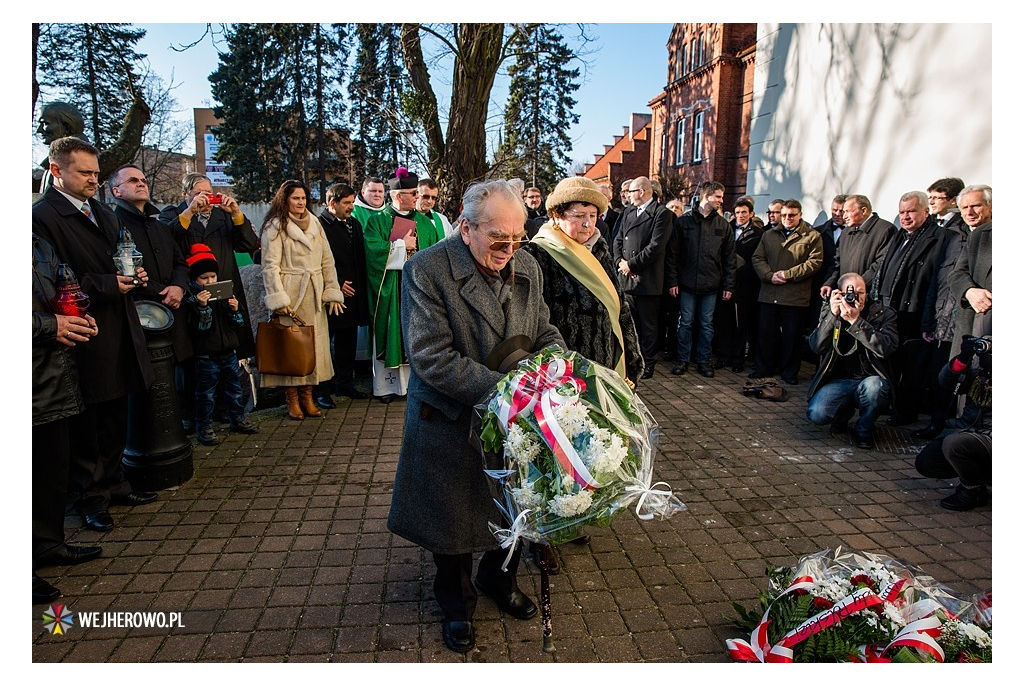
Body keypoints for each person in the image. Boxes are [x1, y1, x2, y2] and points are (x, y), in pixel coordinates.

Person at [387, 180, 564, 654]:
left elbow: (544, 328)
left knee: (513, 507)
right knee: (453, 520)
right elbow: (431, 356)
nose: (509, 250)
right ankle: (457, 604)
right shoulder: (426, 270)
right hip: (451, 416)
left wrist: (558, 369)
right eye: (498, 239)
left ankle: (498, 581)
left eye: (517, 238)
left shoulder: (526, 264)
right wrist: (512, 391)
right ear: (465, 228)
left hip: (514, 418)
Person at [32, 137, 157, 534]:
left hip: (118, 325)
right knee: (88, 421)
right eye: (83, 172)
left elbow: (124, 253)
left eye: (96, 173)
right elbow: (47, 282)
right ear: (57, 171)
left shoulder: (103, 211)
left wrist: (134, 274)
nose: (92, 179)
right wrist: (107, 283)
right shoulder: (42, 217)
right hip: (83, 331)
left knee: (116, 411)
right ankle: (90, 498)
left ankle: (115, 483)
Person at [33, 233, 103, 603]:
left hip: (51, 376)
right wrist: (50, 326)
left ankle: (47, 544)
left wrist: (79, 316)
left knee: (49, 469)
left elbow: (64, 291)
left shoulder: (39, 244)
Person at [524, 176, 644, 384]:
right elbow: (532, 319)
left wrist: (632, 358)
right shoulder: (537, 254)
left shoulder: (599, 248)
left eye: (593, 215)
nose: (588, 223)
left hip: (609, 363)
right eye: (578, 216)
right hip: (567, 372)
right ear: (556, 216)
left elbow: (619, 305)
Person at [110, 165, 194, 419]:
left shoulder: (159, 227)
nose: (141, 183)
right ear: (117, 190)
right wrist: (162, 292)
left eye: (143, 180)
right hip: (142, 317)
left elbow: (181, 262)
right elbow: (122, 270)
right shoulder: (112, 225)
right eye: (133, 180)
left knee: (181, 381)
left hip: (175, 312)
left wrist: (179, 287)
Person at [260, 180, 345, 420]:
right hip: (291, 293)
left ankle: (308, 396)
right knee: (291, 348)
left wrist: (331, 289)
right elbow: (269, 266)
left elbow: (327, 259)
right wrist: (278, 297)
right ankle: (292, 399)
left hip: (314, 294)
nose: (300, 202)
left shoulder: (315, 223)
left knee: (313, 348)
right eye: (295, 198)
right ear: (284, 199)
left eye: (303, 198)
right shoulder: (275, 226)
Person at [362, 168, 446, 403]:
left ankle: (414, 387)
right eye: (413, 193)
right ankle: (386, 388)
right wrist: (401, 246)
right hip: (389, 290)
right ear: (399, 196)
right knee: (391, 333)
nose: (418, 198)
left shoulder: (426, 224)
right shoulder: (376, 221)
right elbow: (372, 254)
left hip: (418, 291)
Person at [159, 173, 259, 360]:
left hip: (224, 292)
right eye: (199, 193)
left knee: (230, 351)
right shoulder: (173, 213)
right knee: (195, 352)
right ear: (185, 194)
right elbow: (165, 242)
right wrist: (190, 211)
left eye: (208, 192)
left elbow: (249, 245)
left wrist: (237, 214)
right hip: (192, 294)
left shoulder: (223, 216)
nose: (205, 198)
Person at [870, 191, 946, 426]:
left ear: (926, 211)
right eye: (902, 212)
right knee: (890, 361)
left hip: (914, 310)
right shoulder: (899, 236)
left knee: (912, 366)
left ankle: (906, 411)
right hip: (889, 309)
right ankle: (892, 403)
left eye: (911, 211)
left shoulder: (940, 237)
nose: (906, 217)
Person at [806, 273, 897, 449]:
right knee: (816, 414)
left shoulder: (883, 313)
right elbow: (816, 347)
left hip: (870, 378)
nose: (855, 297)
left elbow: (887, 348)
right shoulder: (832, 309)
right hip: (839, 379)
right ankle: (843, 411)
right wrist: (832, 315)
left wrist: (856, 322)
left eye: (861, 292)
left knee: (874, 388)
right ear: (839, 293)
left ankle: (864, 429)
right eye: (851, 292)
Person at [184, 243, 260, 445]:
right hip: (206, 354)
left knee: (234, 389)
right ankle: (205, 427)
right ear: (195, 279)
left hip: (229, 351)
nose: (210, 281)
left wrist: (234, 309)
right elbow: (201, 329)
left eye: (212, 277)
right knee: (206, 394)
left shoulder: (225, 293)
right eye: (204, 278)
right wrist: (203, 307)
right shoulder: (192, 300)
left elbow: (239, 324)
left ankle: (238, 419)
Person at [915, 178, 970, 440]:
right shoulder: (946, 230)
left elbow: (957, 280)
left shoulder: (963, 232)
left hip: (958, 319)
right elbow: (937, 279)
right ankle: (937, 422)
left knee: (952, 375)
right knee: (938, 375)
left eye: (937, 198)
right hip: (940, 317)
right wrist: (930, 321)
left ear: (952, 200)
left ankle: (944, 425)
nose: (932, 202)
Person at [749, 199, 823, 384]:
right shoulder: (769, 235)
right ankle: (763, 368)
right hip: (769, 293)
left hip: (795, 297)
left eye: (791, 215)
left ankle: (789, 373)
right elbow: (757, 258)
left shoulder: (812, 236)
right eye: (784, 215)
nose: (787, 218)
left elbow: (814, 263)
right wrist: (769, 275)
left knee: (792, 338)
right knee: (765, 335)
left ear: (800, 215)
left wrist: (788, 275)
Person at [914, 334, 991, 511]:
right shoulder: (981, 373)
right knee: (927, 461)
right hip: (971, 430)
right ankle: (981, 478)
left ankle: (972, 490)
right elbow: (945, 382)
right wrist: (963, 357)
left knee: (955, 443)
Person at [666, 181, 735, 378]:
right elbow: (672, 255)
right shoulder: (684, 222)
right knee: (685, 323)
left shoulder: (723, 225)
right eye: (719, 197)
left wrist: (729, 284)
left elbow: (730, 258)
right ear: (707, 196)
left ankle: (704, 361)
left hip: (712, 285)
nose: (722, 201)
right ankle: (682, 360)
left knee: (706, 324)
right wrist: (672, 281)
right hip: (686, 284)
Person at [613, 176, 674, 379]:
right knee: (630, 324)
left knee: (648, 326)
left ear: (642, 192)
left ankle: (648, 362)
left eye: (630, 191)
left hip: (647, 280)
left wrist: (632, 264)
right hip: (626, 279)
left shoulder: (661, 213)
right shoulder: (628, 212)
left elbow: (656, 247)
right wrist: (620, 262)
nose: (627, 195)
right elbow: (618, 239)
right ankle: (632, 360)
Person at [315, 183, 370, 405]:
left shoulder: (354, 223)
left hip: (352, 294)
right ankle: (322, 390)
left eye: (352, 202)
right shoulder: (319, 225)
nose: (351, 207)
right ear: (332, 203)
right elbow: (317, 260)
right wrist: (336, 284)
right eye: (346, 203)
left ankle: (344, 384)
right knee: (326, 345)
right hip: (330, 295)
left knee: (347, 342)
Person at [713, 195, 763, 372]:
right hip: (725, 282)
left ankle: (738, 358)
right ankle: (724, 355)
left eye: (744, 212)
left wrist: (740, 274)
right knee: (724, 322)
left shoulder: (758, 234)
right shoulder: (726, 229)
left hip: (745, 285)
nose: (740, 215)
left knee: (741, 323)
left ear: (751, 214)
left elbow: (757, 260)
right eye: (737, 212)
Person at [819, 194, 895, 300]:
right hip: (845, 295)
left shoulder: (885, 230)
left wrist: (857, 287)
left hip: (867, 298)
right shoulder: (846, 232)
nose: (843, 216)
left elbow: (880, 265)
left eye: (847, 211)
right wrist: (830, 283)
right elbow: (837, 263)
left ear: (863, 211)